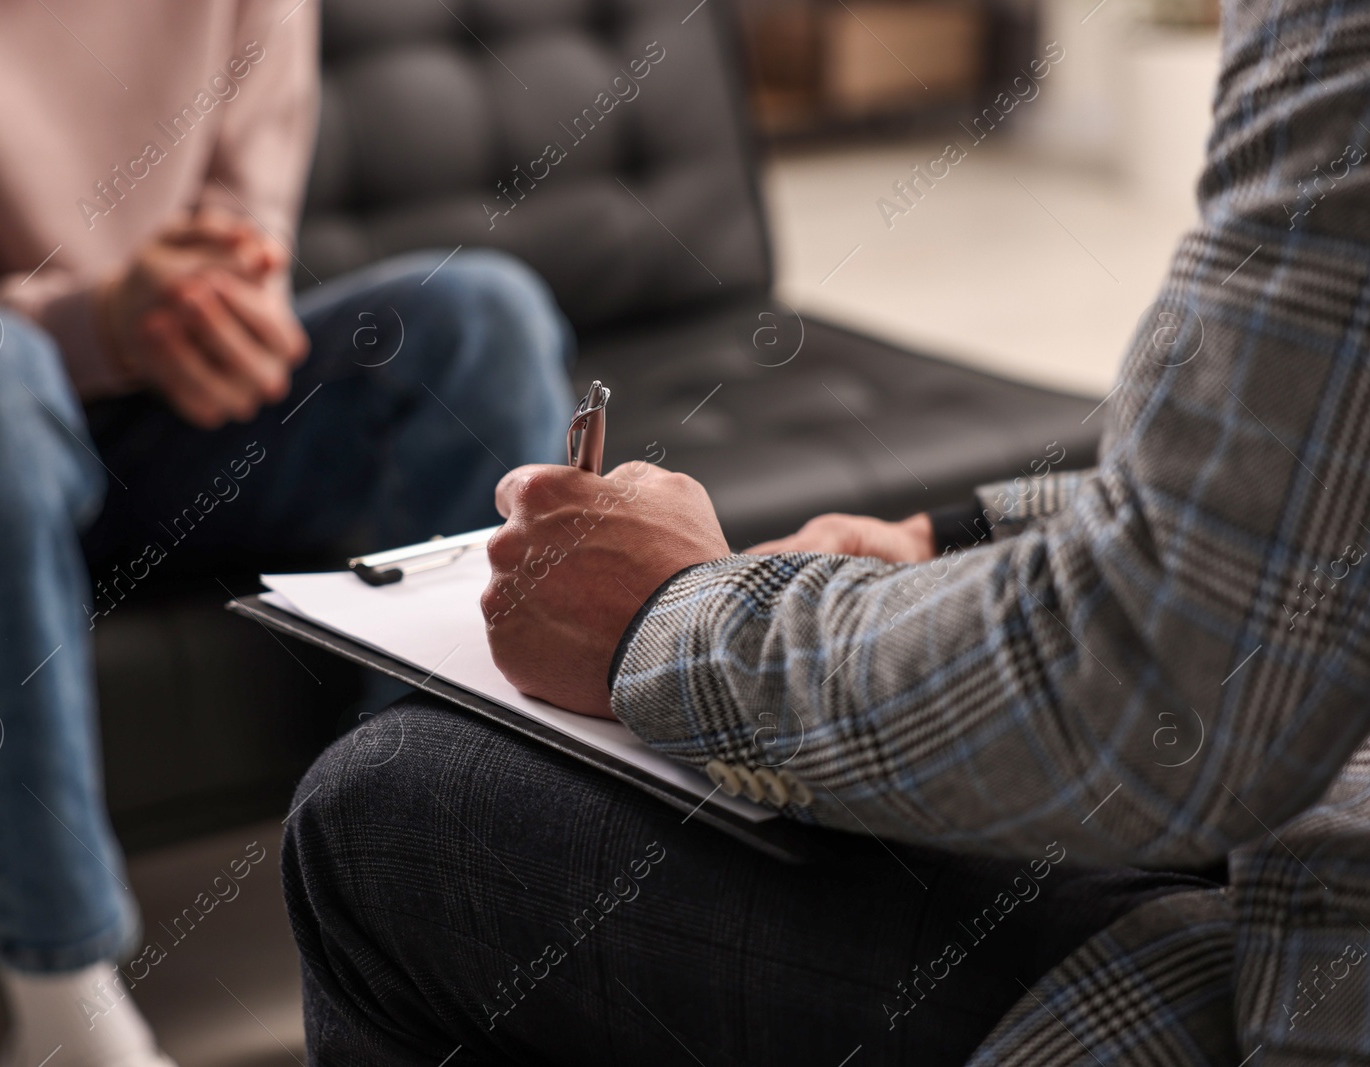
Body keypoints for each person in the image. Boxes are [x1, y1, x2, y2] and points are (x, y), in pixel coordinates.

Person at [282, 0, 1370, 1062]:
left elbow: (1160, 686)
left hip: (1306, 978)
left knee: (378, 810)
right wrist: (950, 539)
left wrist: (664, 619)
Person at [0, 4, 571, 1066]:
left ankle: (409, 914)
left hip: (137, 410)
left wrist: (211, 313)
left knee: (483, 317)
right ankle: (65, 1011)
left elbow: (242, 234)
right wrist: (86, 324)